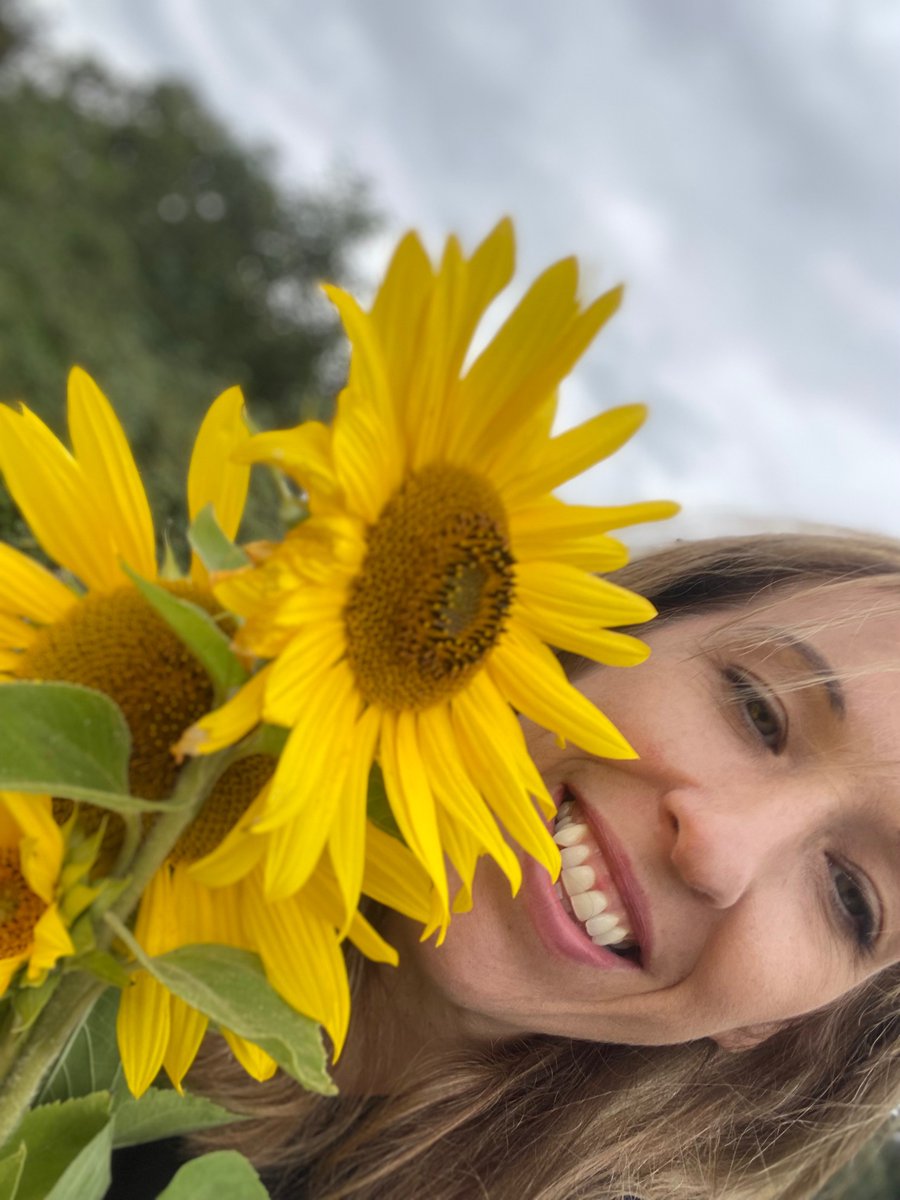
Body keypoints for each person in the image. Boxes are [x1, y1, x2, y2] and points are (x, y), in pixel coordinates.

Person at [169, 530, 900, 1199]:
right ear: (614, 626)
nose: (718, 850)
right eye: (757, 709)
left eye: (851, 897)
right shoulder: (128, 761)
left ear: (783, 1022)